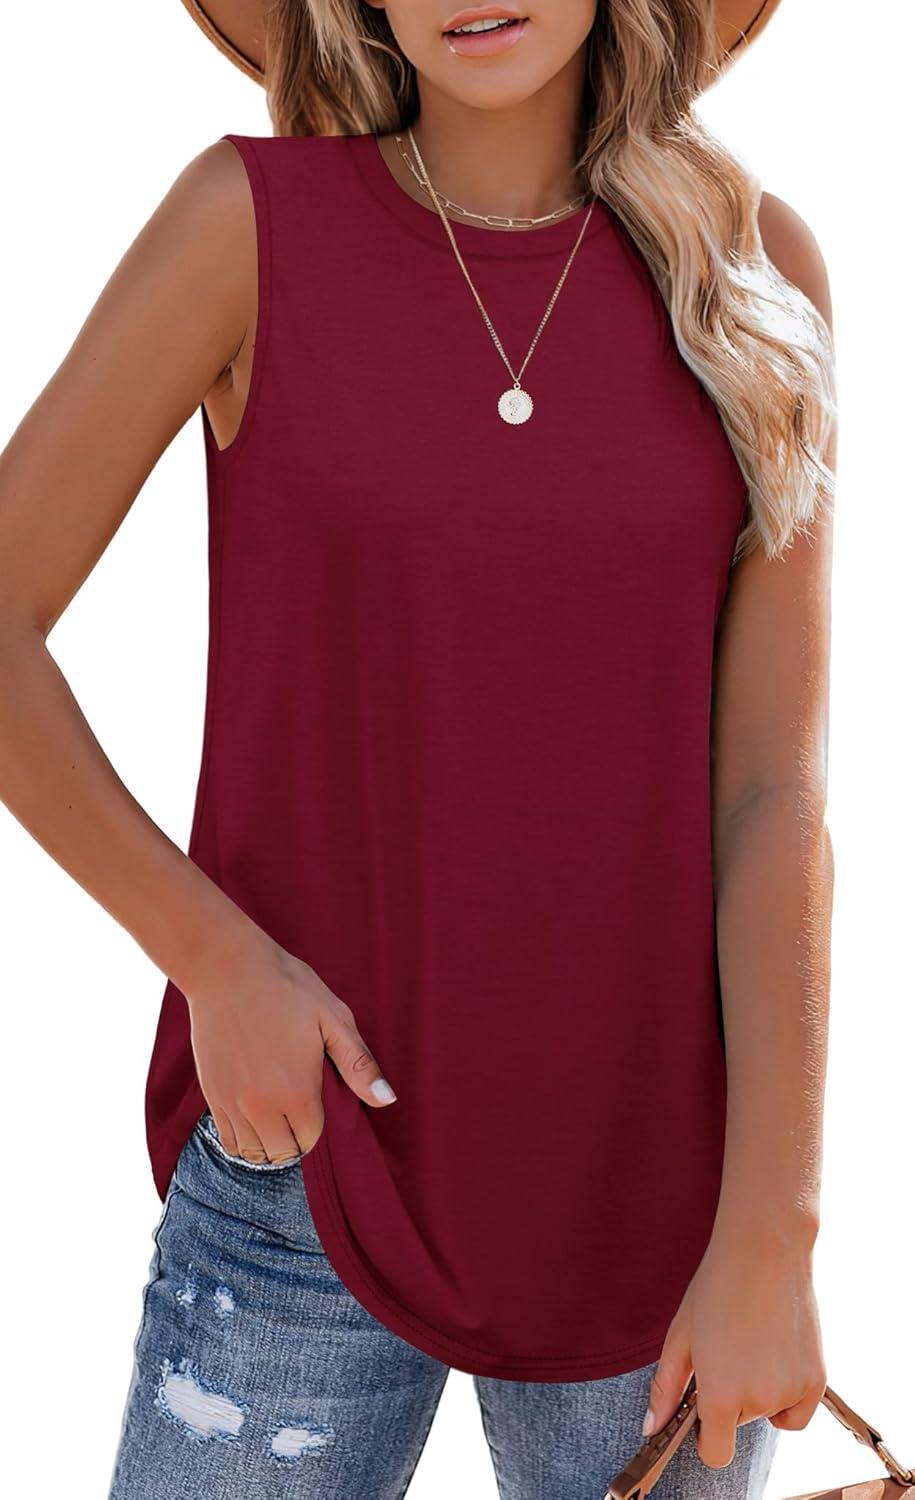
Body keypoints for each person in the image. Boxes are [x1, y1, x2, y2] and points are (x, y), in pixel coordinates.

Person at [0, 1, 838, 1496]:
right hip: (306, 1163)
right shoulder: (245, 228)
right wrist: (213, 958)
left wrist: (776, 1230)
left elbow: (772, 793)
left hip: (660, 1213)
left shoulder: (751, 268)